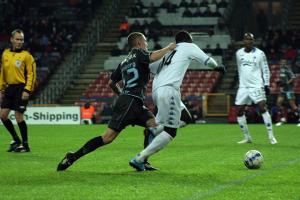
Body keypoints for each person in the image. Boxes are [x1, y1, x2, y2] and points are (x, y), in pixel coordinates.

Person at [57, 32, 176, 171]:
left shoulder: (124, 62)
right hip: (130, 102)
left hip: (133, 102)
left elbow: (111, 82)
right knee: (107, 138)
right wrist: (168, 47)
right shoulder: (139, 53)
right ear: (138, 43)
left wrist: (121, 94)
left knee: (154, 126)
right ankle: (72, 157)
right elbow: (153, 57)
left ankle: (142, 160)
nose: (147, 44)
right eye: (145, 41)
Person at [129, 30, 224, 171]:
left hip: (157, 90)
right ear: (187, 40)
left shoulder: (168, 51)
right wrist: (218, 67)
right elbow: (208, 61)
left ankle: (154, 131)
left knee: (186, 117)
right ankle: (139, 159)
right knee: (171, 131)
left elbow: (150, 67)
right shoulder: (189, 46)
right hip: (169, 90)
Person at [235, 32, 277, 144]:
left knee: (263, 108)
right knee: (239, 111)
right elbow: (239, 69)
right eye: (246, 39)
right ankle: (247, 137)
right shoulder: (238, 53)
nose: (248, 41)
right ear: (243, 41)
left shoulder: (260, 53)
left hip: (256, 85)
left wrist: (266, 84)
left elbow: (265, 69)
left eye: (250, 39)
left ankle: (271, 136)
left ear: (253, 41)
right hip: (243, 86)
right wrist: (240, 84)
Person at [0, 29, 36, 152]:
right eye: (17, 39)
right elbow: (2, 72)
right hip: (9, 88)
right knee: (3, 115)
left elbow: (32, 74)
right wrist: (1, 88)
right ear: (11, 39)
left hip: (21, 88)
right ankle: (16, 139)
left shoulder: (27, 56)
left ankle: (25, 145)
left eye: (21, 39)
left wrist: (27, 90)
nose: (20, 42)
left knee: (18, 116)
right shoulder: (5, 54)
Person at [275, 59, 300, 126]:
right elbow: (282, 79)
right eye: (281, 62)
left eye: (284, 62)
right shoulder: (280, 70)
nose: (282, 63)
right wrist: (279, 82)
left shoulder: (287, 69)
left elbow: (293, 77)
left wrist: (286, 83)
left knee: (293, 105)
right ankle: (282, 119)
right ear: (280, 63)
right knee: (278, 104)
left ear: (286, 63)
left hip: (289, 89)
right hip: (282, 90)